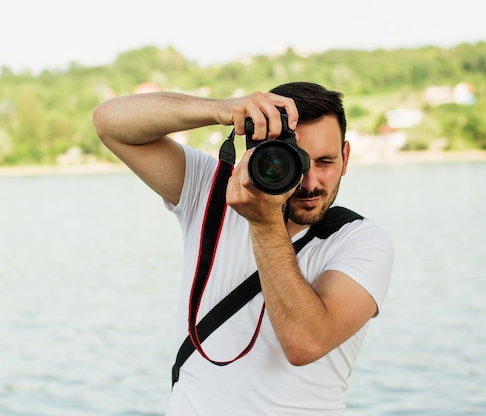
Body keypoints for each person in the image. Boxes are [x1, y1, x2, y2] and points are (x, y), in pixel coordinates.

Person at [92, 82, 394, 415]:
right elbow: (109, 122)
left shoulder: (360, 241)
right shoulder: (211, 193)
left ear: (346, 157)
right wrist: (221, 110)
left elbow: (305, 342)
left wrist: (265, 224)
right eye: (297, 162)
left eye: (325, 162)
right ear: (261, 153)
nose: (310, 182)